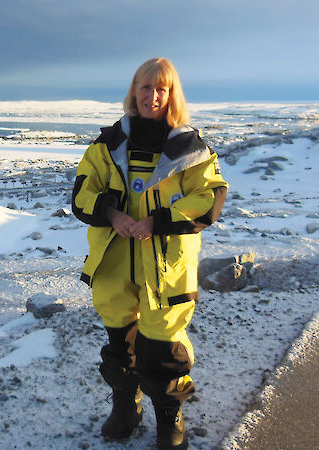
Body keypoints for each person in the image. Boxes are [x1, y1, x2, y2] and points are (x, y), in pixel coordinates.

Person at [71, 58, 228, 450]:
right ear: (133, 91)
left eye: (162, 89)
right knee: (119, 346)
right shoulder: (106, 146)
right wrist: (111, 212)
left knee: (163, 348)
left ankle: (169, 417)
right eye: (146, 87)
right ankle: (126, 406)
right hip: (115, 265)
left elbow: (209, 197)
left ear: (172, 95)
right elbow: (81, 193)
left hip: (166, 270)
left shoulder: (191, 149)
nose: (152, 96)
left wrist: (158, 221)